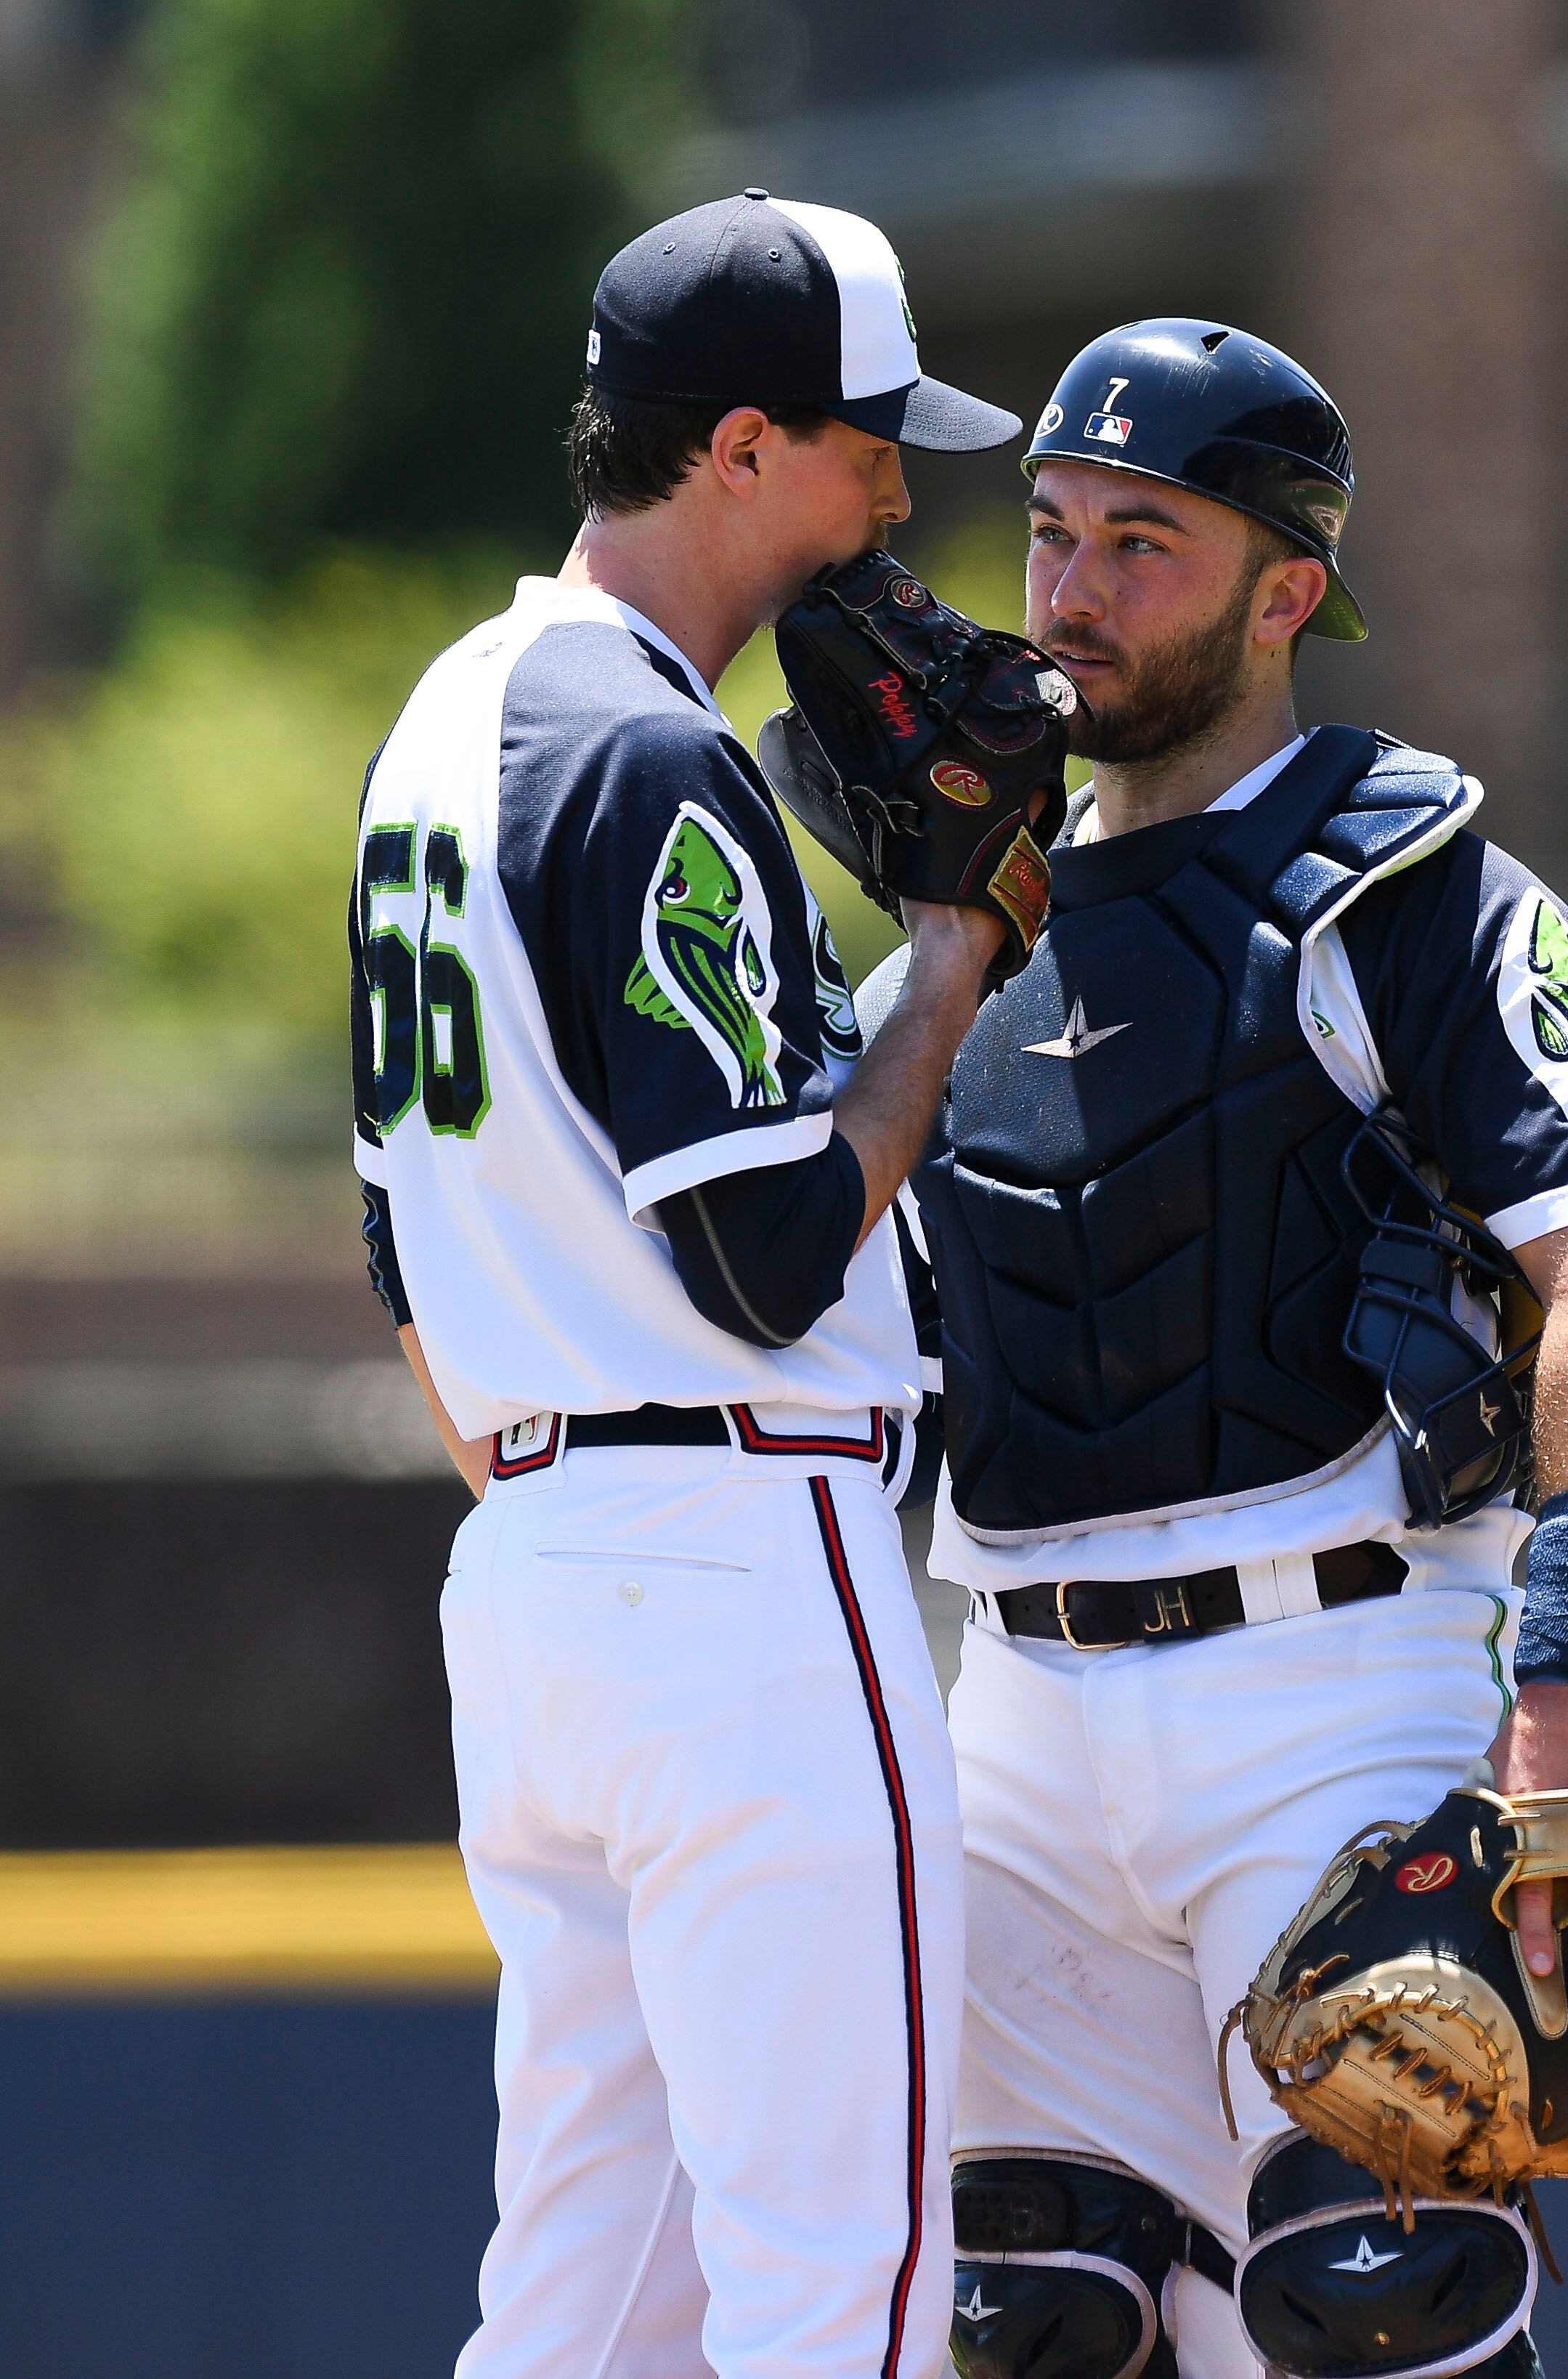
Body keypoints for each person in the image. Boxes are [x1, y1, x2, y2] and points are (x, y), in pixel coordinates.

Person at [864, 321, 1568, 2379]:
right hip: (1021, 1721)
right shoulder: (963, 920)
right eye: (1052, 531)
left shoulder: (1419, 894)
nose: (1070, 593)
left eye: (1144, 541)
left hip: (1333, 1686)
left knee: (1373, 2307)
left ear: (1287, 587)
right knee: (1038, 2329)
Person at [349, 191, 1020, 2379]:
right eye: (862, 443)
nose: (898, 493)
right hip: (736, 1557)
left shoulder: (444, 729)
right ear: (737, 448)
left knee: (578, 2312)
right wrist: (951, 949)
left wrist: (574, 1497)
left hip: (543, 1573)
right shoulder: (648, 752)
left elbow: (401, 1253)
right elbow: (759, 1259)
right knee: (851, 2292)